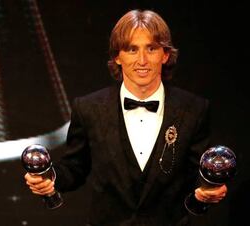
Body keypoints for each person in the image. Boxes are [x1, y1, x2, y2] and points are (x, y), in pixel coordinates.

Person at [24, 9, 228, 226]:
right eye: (132, 49)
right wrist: (50, 178)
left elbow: (196, 171)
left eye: (151, 48)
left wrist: (206, 190)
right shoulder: (88, 108)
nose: (142, 60)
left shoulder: (193, 109)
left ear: (165, 54)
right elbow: (76, 167)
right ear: (117, 57)